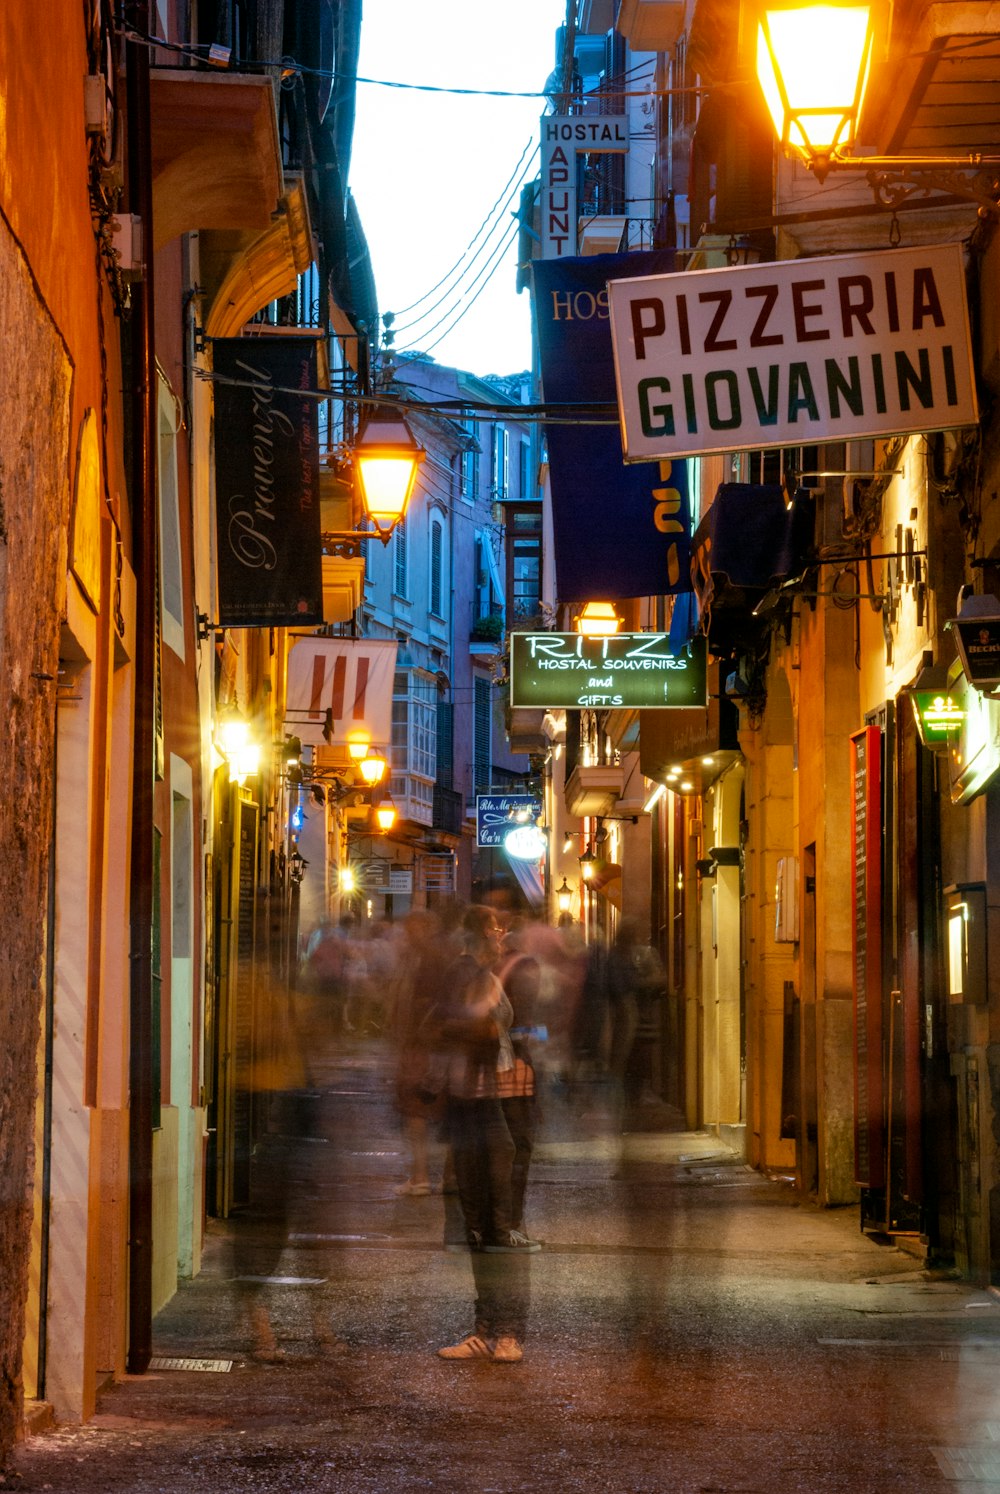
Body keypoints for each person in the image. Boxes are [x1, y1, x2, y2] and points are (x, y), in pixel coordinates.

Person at [434, 905, 537, 1365]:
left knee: (498, 1223)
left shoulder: (490, 974)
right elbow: (467, 1027)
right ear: (479, 937)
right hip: (478, 1106)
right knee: (484, 1224)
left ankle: (506, 1329)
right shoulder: (468, 973)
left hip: (492, 1106)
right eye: (495, 930)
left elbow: (496, 1030)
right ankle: (490, 1328)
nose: (502, 936)